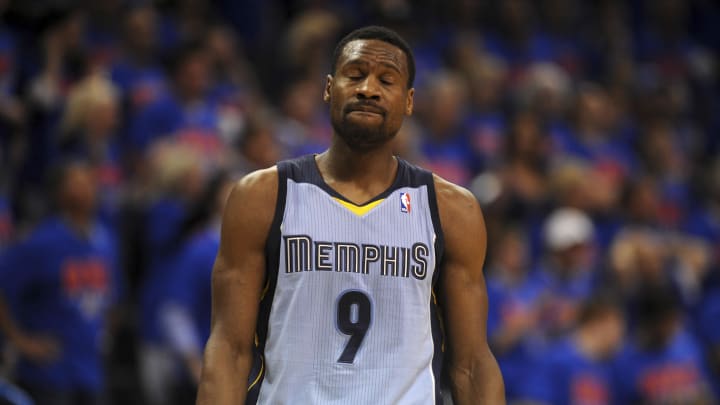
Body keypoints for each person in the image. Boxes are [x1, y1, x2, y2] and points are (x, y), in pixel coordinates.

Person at [196, 26, 505, 404]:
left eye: (386, 80)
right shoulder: (262, 196)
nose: (368, 89)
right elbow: (228, 349)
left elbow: (472, 363)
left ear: (409, 101)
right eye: (355, 75)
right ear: (329, 88)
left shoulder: (451, 209)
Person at [0, 160, 120, 405]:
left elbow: (113, 298)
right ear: (59, 193)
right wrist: (21, 341)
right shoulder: (40, 242)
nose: (86, 188)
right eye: (76, 182)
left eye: (89, 181)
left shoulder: (106, 241)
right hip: (49, 375)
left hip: (91, 371)